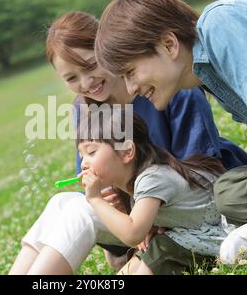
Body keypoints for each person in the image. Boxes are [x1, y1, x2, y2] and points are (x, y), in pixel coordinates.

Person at [9, 11, 247, 275]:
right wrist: (110, 196)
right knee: (61, 203)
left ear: (108, 51)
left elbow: (198, 172)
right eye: (71, 78)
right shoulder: (84, 108)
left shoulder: (166, 85)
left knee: (80, 213)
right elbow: (91, 178)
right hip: (140, 216)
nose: (85, 83)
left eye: (91, 65)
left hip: (197, 208)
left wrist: (145, 209)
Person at [94, 0, 247, 272]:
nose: (130, 89)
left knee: (232, 193)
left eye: (131, 72)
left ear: (169, 45)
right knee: (230, 190)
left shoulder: (221, 24)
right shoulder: (210, 76)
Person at [78, 107, 227, 275]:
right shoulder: (135, 182)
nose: (84, 163)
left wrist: (95, 199)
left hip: (211, 237)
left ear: (127, 152)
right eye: (81, 155)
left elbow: (133, 233)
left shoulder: (153, 178)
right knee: (133, 265)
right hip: (183, 235)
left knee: (157, 253)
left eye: (91, 152)